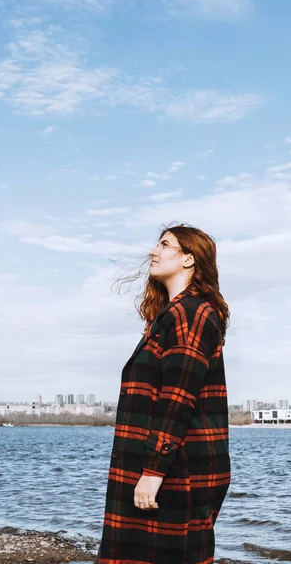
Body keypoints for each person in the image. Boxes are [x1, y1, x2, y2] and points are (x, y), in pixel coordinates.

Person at [96, 224, 231, 564]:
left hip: (177, 471)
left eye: (165, 245)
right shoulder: (172, 315)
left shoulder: (191, 313)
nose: (153, 252)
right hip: (166, 466)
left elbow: (178, 397)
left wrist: (154, 471)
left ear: (189, 259)